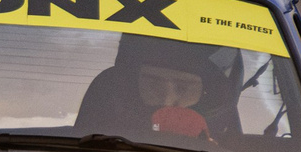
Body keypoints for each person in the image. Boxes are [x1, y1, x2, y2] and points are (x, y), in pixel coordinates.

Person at [74, 34, 219, 142]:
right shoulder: (87, 149)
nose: (167, 100)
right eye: (154, 85)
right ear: (131, 87)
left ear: (206, 93)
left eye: (183, 88)